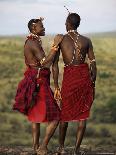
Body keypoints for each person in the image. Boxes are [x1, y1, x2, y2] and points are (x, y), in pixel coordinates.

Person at [13, 17, 63, 155]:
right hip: (39, 83)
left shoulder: (33, 41)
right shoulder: (32, 43)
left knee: (35, 117)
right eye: (42, 26)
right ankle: (42, 147)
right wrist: (55, 45)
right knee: (56, 117)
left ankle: (35, 147)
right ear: (34, 29)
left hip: (37, 80)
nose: (44, 28)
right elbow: (45, 63)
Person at [52, 13, 97, 154]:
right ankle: (76, 150)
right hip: (84, 77)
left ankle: (61, 148)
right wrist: (93, 83)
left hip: (69, 77)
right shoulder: (86, 40)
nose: (65, 24)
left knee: (64, 113)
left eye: (66, 22)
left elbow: (54, 65)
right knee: (83, 113)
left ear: (67, 23)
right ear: (78, 24)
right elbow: (93, 64)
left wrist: (56, 86)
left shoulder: (61, 39)